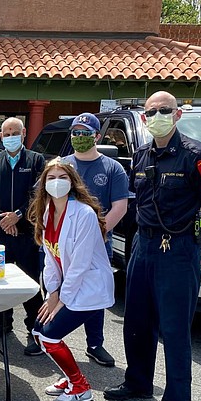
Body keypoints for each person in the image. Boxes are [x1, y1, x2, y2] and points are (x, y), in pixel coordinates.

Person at [104, 91, 201, 401]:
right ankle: (139, 383)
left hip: (177, 249)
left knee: (173, 330)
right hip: (143, 246)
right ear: (144, 119)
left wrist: (195, 237)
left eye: (164, 110)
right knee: (137, 321)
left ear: (178, 114)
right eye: (151, 111)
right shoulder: (143, 155)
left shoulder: (197, 155)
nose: (157, 115)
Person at [28, 158, 114, 401]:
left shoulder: (83, 214)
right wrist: (52, 293)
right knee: (38, 331)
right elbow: (51, 260)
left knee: (50, 336)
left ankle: (80, 387)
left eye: (62, 178)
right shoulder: (47, 212)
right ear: (44, 184)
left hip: (88, 289)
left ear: (73, 182)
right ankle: (69, 377)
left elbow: (80, 265)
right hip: (67, 288)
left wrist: (61, 300)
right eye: (51, 178)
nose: (56, 183)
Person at [62, 112, 129, 368]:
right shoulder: (62, 166)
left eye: (85, 133)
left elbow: (119, 207)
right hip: (64, 242)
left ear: (97, 137)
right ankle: (48, 337)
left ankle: (94, 344)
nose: (80, 137)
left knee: (93, 293)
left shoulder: (112, 168)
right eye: (76, 133)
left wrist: (96, 234)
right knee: (57, 286)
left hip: (99, 242)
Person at [0, 117, 46, 355]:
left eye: (15, 132)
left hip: (27, 231)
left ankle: (35, 329)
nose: (10, 136)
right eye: (6, 133)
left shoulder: (36, 159)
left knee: (29, 282)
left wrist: (18, 215)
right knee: (0, 279)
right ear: (1, 136)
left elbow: (38, 194)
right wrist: (4, 219)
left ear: (23, 134)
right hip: (0, 230)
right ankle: (2, 323)